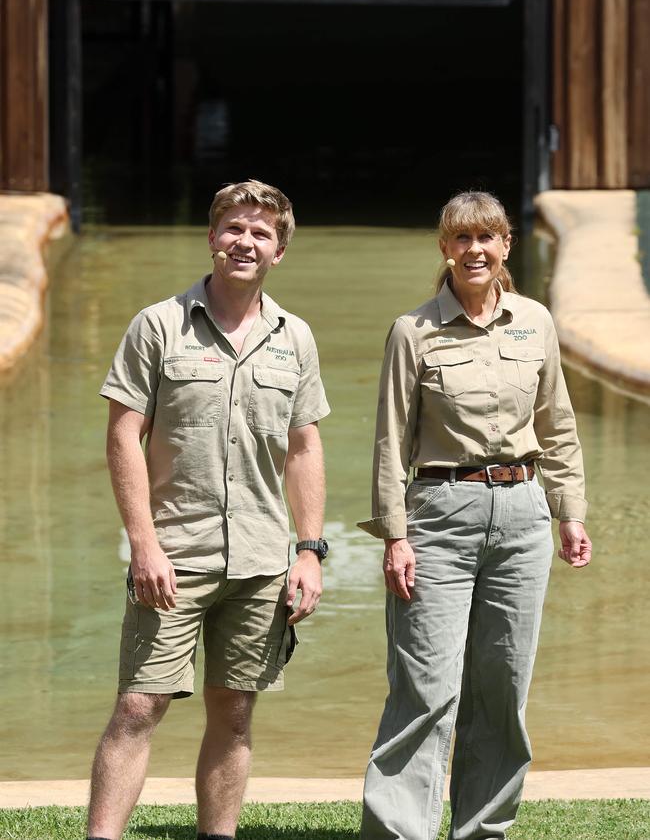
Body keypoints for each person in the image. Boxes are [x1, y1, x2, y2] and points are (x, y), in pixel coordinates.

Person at [87, 180, 330, 840]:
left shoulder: (295, 339)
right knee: (139, 705)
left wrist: (309, 550)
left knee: (235, 712)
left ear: (278, 251)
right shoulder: (158, 325)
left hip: (259, 560)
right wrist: (143, 542)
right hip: (172, 553)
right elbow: (122, 436)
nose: (245, 241)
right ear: (212, 236)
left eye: (260, 233)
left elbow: (304, 448)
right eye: (234, 228)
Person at [358, 191, 591, 840]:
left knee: (503, 689)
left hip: (523, 517)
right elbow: (389, 442)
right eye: (462, 239)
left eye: (487, 237)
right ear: (445, 248)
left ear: (506, 246)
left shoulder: (535, 322)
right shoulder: (414, 331)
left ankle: (484, 831)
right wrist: (395, 537)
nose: (475, 250)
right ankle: (399, 832)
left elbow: (558, 425)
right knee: (426, 688)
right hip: (438, 516)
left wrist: (569, 511)